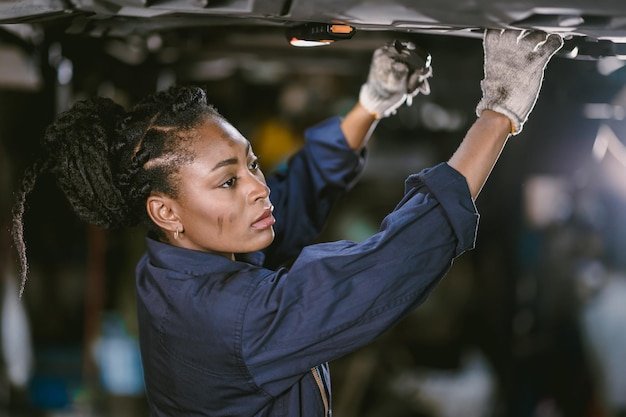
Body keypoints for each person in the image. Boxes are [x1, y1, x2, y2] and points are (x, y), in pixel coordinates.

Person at [11, 29, 563, 416]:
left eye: (250, 162)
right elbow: (388, 264)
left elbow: (292, 197)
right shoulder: (238, 319)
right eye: (229, 181)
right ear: (166, 211)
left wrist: (373, 102)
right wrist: (500, 111)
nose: (256, 187)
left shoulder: (173, 264)